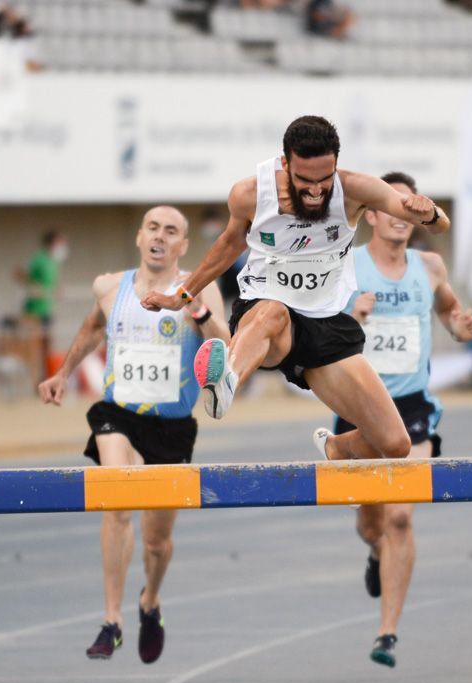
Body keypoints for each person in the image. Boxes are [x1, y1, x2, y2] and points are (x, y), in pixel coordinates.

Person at [142, 115, 450, 467]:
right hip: (267, 317)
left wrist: (430, 213)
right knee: (274, 311)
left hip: (324, 325)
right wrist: (180, 296)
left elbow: (439, 225)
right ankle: (227, 379)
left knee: (395, 444)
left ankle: (337, 448)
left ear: (336, 163)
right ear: (285, 163)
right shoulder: (251, 194)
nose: (316, 190)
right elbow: (228, 245)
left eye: (324, 179)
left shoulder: (354, 189)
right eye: (305, 180)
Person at [39, 207, 229, 663]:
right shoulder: (109, 287)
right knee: (117, 503)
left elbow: (223, 343)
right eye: (153, 228)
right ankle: (111, 620)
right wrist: (64, 372)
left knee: (156, 542)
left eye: (171, 232)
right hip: (118, 414)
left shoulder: (199, 289)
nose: (160, 237)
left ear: (183, 246)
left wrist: (197, 309)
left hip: (172, 425)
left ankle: (149, 602)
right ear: (139, 237)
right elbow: (91, 328)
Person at [338, 171, 472, 668]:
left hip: (414, 408)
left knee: (401, 515)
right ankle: (376, 552)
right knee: (371, 524)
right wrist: (348, 317)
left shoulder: (431, 266)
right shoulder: (347, 267)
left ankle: (387, 632)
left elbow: (449, 309)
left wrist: (459, 324)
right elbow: (315, 330)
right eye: (391, 206)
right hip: (357, 409)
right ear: (372, 215)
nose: (401, 216)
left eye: (409, 207)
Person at [16, 228, 69, 381]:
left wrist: (58, 289)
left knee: (48, 347)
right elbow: (20, 273)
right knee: (34, 349)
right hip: (34, 311)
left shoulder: (54, 262)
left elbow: (53, 281)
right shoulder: (38, 258)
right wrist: (34, 287)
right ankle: (33, 382)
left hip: (48, 309)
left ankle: (46, 380)